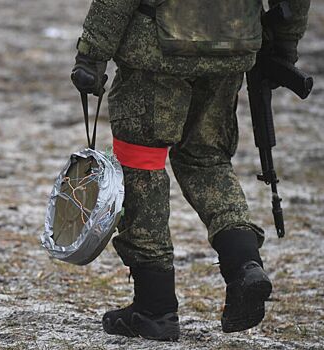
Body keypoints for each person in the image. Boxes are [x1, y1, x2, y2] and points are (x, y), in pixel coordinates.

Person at [70, 0, 310, 341]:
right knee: (207, 157)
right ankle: (244, 265)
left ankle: (154, 308)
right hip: (232, 43)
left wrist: (92, 53)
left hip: (159, 50)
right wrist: (286, 42)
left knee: (142, 165)